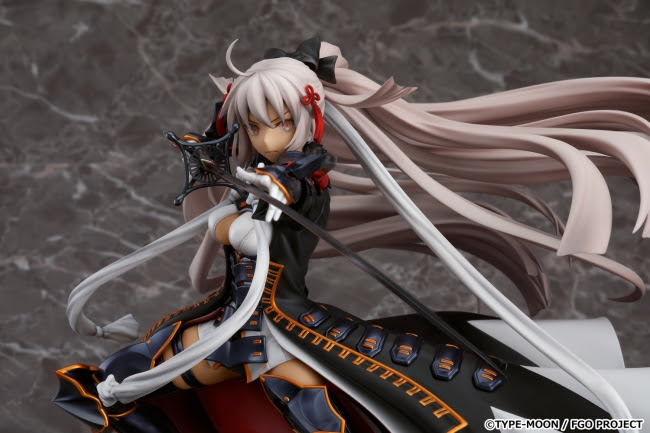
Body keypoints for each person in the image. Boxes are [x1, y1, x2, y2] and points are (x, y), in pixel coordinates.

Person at [55, 37, 650, 433]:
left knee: (297, 395)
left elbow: (269, 223)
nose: (267, 138)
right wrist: (230, 203)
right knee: (147, 365)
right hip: (236, 319)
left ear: (309, 119)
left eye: (279, 123)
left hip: (281, 324)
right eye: (255, 126)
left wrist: (236, 218)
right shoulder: (259, 178)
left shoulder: (300, 181)